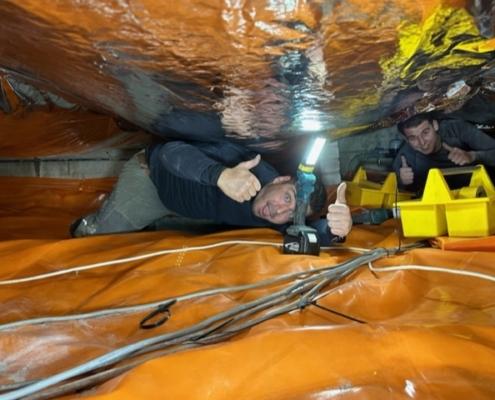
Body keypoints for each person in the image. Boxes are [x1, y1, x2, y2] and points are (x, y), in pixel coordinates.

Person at [71, 140, 352, 244]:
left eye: (291, 215)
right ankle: (88, 224)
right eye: (287, 198)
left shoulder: (277, 216)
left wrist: (336, 230)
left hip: (186, 207)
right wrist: (222, 176)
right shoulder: (246, 164)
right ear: (280, 179)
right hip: (153, 183)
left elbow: (311, 233)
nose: (279, 211)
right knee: (97, 241)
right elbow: (167, 153)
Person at [393, 113, 495, 194]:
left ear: (435, 125)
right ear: (406, 139)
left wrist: (473, 156)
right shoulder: (405, 158)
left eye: (425, 132)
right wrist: (403, 183)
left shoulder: (456, 129)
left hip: (481, 193)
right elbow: (401, 196)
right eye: (413, 138)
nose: (422, 142)